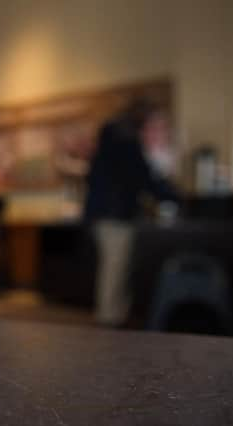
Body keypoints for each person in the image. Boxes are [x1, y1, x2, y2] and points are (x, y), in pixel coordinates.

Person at [84, 99, 180, 326]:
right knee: (115, 270)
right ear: (143, 122)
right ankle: (109, 324)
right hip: (113, 215)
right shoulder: (125, 141)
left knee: (117, 269)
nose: (158, 131)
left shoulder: (115, 136)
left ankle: (115, 318)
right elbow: (144, 178)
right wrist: (173, 196)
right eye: (155, 126)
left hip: (106, 213)